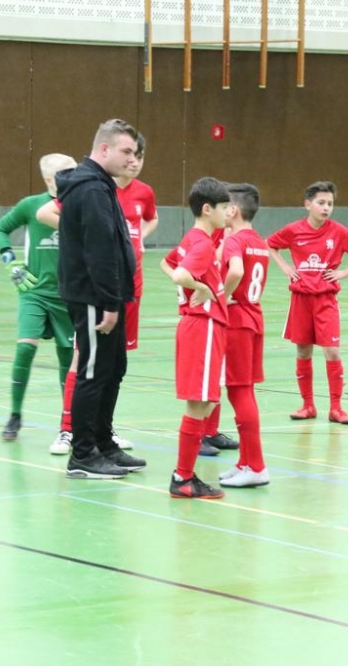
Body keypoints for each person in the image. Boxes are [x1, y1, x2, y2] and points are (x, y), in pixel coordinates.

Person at [39, 134, 155, 455]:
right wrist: (108, 298)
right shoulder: (91, 189)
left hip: (121, 290)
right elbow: (96, 247)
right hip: (97, 294)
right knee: (89, 367)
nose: (133, 160)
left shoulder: (124, 189)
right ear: (105, 149)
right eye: (127, 152)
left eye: (137, 155)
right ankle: (77, 443)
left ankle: (104, 440)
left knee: (113, 367)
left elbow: (140, 226)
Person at [267, 181, 348, 424]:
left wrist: (345, 272)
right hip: (301, 299)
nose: (326, 208)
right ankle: (307, 406)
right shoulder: (294, 230)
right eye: (321, 203)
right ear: (308, 204)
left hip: (326, 299)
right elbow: (270, 244)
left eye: (330, 204)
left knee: (332, 351)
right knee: (303, 350)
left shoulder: (338, 232)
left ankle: (336, 408)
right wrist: (285, 267)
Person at [0, 153, 78, 441]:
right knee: (25, 349)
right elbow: (0, 229)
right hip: (35, 291)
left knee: (68, 357)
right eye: (67, 173)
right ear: (49, 179)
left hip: (68, 295)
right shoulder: (31, 205)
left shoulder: (79, 204)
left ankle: (68, 423)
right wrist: (11, 262)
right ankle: (15, 414)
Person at [160, 176, 232, 499]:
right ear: (207, 209)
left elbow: (166, 263)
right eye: (223, 207)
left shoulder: (193, 238)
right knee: (198, 403)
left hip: (201, 326)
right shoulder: (202, 244)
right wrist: (201, 288)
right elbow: (179, 273)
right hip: (202, 325)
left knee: (206, 402)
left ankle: (186, 475)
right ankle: (183, 478)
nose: (228, 213)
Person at [216, 183, 271, 488]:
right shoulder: (259, 242)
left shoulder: (235, 241)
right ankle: (245, 461)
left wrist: (221, 297)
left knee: (239, 392)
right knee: (243, 390)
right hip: (254, 318)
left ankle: (257, 466)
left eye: (225, 206)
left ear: (233, 210)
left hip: (237, 322)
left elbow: (236, 271)